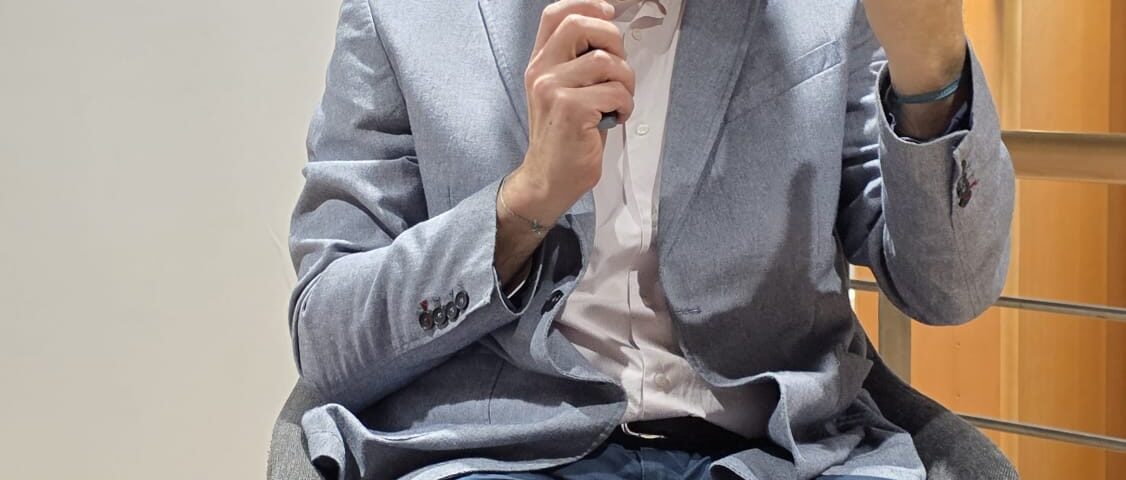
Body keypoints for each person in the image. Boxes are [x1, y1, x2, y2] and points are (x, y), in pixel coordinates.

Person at [286, 0, 1014, 478]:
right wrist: (523, 203)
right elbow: (328, 335)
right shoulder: (403, 17)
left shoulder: (824, 11)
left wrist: (931, 71)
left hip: (776, 452)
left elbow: (948, 290)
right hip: (499, 449)